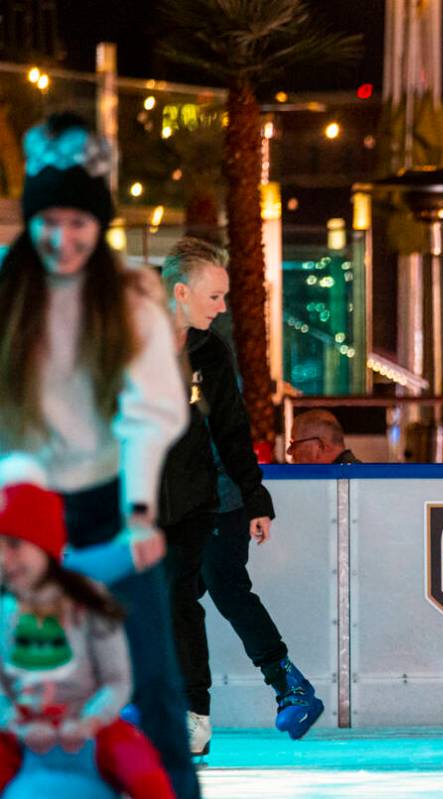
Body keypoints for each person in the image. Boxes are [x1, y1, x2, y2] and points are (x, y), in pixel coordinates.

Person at [0, 113, 197, 798]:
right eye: (48, 220)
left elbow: (150, 409)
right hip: (21, 509)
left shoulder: (132, 298)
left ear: (100, 222)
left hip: (109, 503)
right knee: (12, 681)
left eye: (78, 221)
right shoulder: (6, 293)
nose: (63, 238)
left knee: (152, 677)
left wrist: (139, 511)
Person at [159, 237, 323, 758]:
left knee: (213, 588)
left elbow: (230, 430)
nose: (224, 308)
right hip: (158, 501)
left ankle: (265, 691)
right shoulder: (126, 345)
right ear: (181, 292)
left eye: (227, 297)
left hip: (214, 498)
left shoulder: (210, 351)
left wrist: (253, 497)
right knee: (176, 596)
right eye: (215, 297)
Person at [0, 471, 175, 796]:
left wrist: (90, 722)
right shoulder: (4, 610)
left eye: (13, 545)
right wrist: (14, 722)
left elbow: (116, 680)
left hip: (93, 723)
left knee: (142, 768)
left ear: (43, 542)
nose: (4, 559)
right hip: (21, 728)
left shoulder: (89, 602)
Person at [287, 410, 362, 464]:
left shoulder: (341, 479)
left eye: (294, 445)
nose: (289, 452)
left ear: (318, 448)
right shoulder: (360, 477)